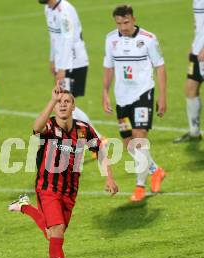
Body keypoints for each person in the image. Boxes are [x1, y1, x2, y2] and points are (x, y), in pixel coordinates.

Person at [8, 87, 118, 258]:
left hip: (70, 192)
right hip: (47, 189)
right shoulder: (49, 126)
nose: (63, 104)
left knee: (52, 234)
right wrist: (51, 100)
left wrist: (109, 177)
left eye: (67, 101)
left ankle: (24, 207)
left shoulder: (84, 130)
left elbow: (100, 150)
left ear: (74, 106)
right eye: (60, 102)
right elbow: (36, 127)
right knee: (56, 233)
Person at [102, 4, 166, 202]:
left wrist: (162, 96)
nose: (123, 27)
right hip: (122, 97)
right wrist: (105, 92)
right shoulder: (111, 39)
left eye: (126, 22)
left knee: (139, 138)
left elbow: (160, 67)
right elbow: (108, 66)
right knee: (129, 144)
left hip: (143, 94)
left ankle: (140, 186)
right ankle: (156, 170)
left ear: (134, 19)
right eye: (119, 23)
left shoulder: (148, 39)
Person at [39, 0, 104, 144]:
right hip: (63, 62)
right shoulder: (48, 9)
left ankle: (96, 139)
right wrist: (52, 59)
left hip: (74, 63)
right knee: (65, 103)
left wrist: (63, 67)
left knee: (65, 102)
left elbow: (68, 40)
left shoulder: (64, 11)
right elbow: (54, 37)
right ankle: (95, 139)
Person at [174, 0, 204, 143]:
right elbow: (198, 25)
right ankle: (194, 132)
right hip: (198, 52)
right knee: (190, 89)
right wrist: (194, 45)